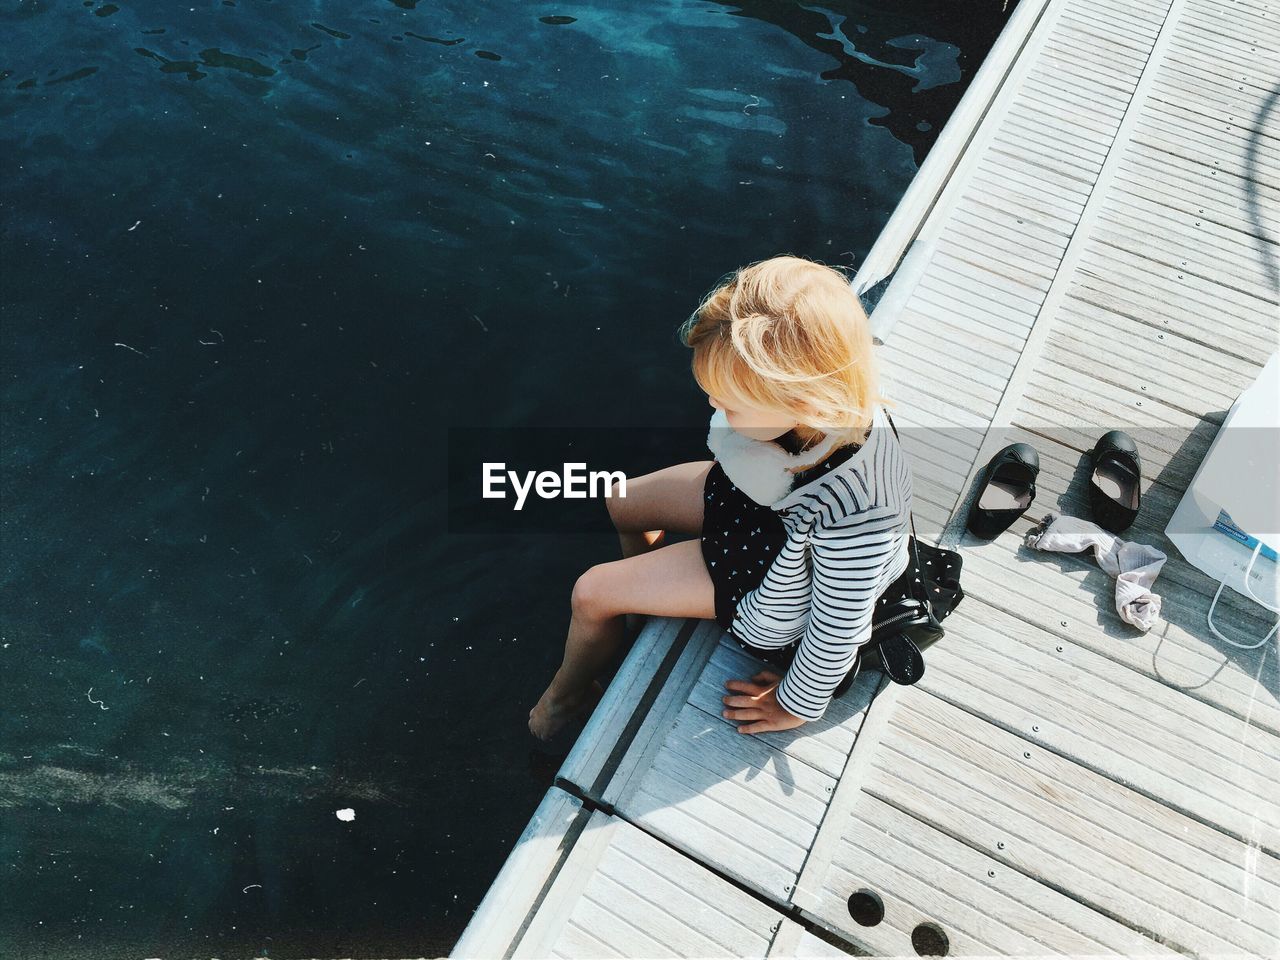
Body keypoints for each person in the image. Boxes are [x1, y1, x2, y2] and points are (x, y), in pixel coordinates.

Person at [528, 255, 914, 741]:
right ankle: (645, 607)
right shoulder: (813, 403)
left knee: (591, 593)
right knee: (620, 500)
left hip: (769, 570)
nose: (713, 406)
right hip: (749, 502)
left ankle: (562, 703)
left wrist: (798, 702)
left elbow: (840, 626)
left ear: (804, 404)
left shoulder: (858, 508)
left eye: (729, 403)